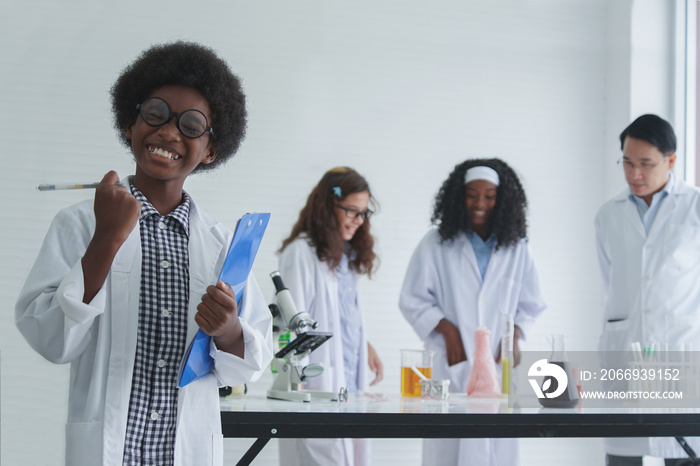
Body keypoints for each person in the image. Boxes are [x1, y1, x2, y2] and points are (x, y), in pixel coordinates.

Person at [15, 41, 273, 466]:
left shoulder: (223, 244)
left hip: (184, 451)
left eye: (191, 125)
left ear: (210, 148)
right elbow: (50, 339)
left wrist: (227, 329)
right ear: (131, 123)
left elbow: (250, 363)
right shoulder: (80, 223)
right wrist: (106, 240)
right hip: (109, 449)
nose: (169, 132)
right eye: (155, 115)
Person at [400, 158, 546, 466]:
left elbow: (530, 304)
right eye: (471, 193)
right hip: (451, 362)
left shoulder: (517, 248)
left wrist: (514, 337)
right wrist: (448, 331)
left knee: (498, 449)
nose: (480, 203)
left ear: (501, 199)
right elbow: (412, 298)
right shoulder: (436, 244)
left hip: (498, 362)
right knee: (447, 449)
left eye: (489, 195)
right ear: (457, 196)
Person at [595, 114, 700, 466]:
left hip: (682, 354)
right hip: (625, 352)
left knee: (683, 454)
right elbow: (613, 283)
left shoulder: (696, 208)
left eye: (645, 164)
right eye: (627, 162)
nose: (634, 174)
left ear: (671, 160)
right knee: (623, 455)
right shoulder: (608, 215)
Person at [277, 166, 384, 466]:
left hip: (347, 389)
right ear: (327, 205)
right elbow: (293, 330)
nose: (358, 221)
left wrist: (363, 345)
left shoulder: (345, 256)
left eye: (363, 213)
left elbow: (340, 318)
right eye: (351, 211)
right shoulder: (301, 254)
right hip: (316, 393)